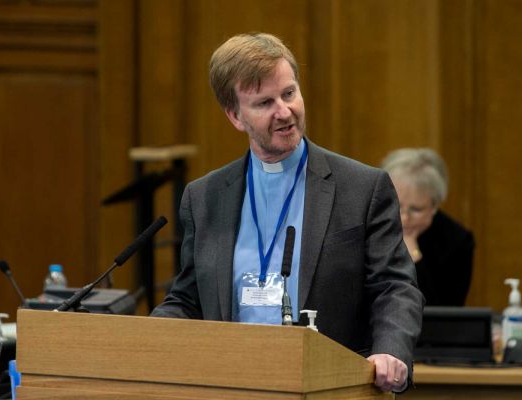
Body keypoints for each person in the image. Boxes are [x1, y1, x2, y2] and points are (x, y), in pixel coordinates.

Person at [151, 32, 423, 393]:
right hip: (227, 386)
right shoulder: (205, 197)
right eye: (264, 103)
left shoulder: (362, 188)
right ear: (235, 116)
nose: (284, 112)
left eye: (289, 93)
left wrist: (391, 351)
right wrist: (147, 338)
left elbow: (395, 286)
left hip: (330, 387)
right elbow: (188, 299)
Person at [381, 148, 475, 306]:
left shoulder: (457, 241)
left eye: (416, 209)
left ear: (435, 206)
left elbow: (446, 313)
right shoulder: (369, 224)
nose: (404, 218)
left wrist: (414, 256)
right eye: (396, 204)